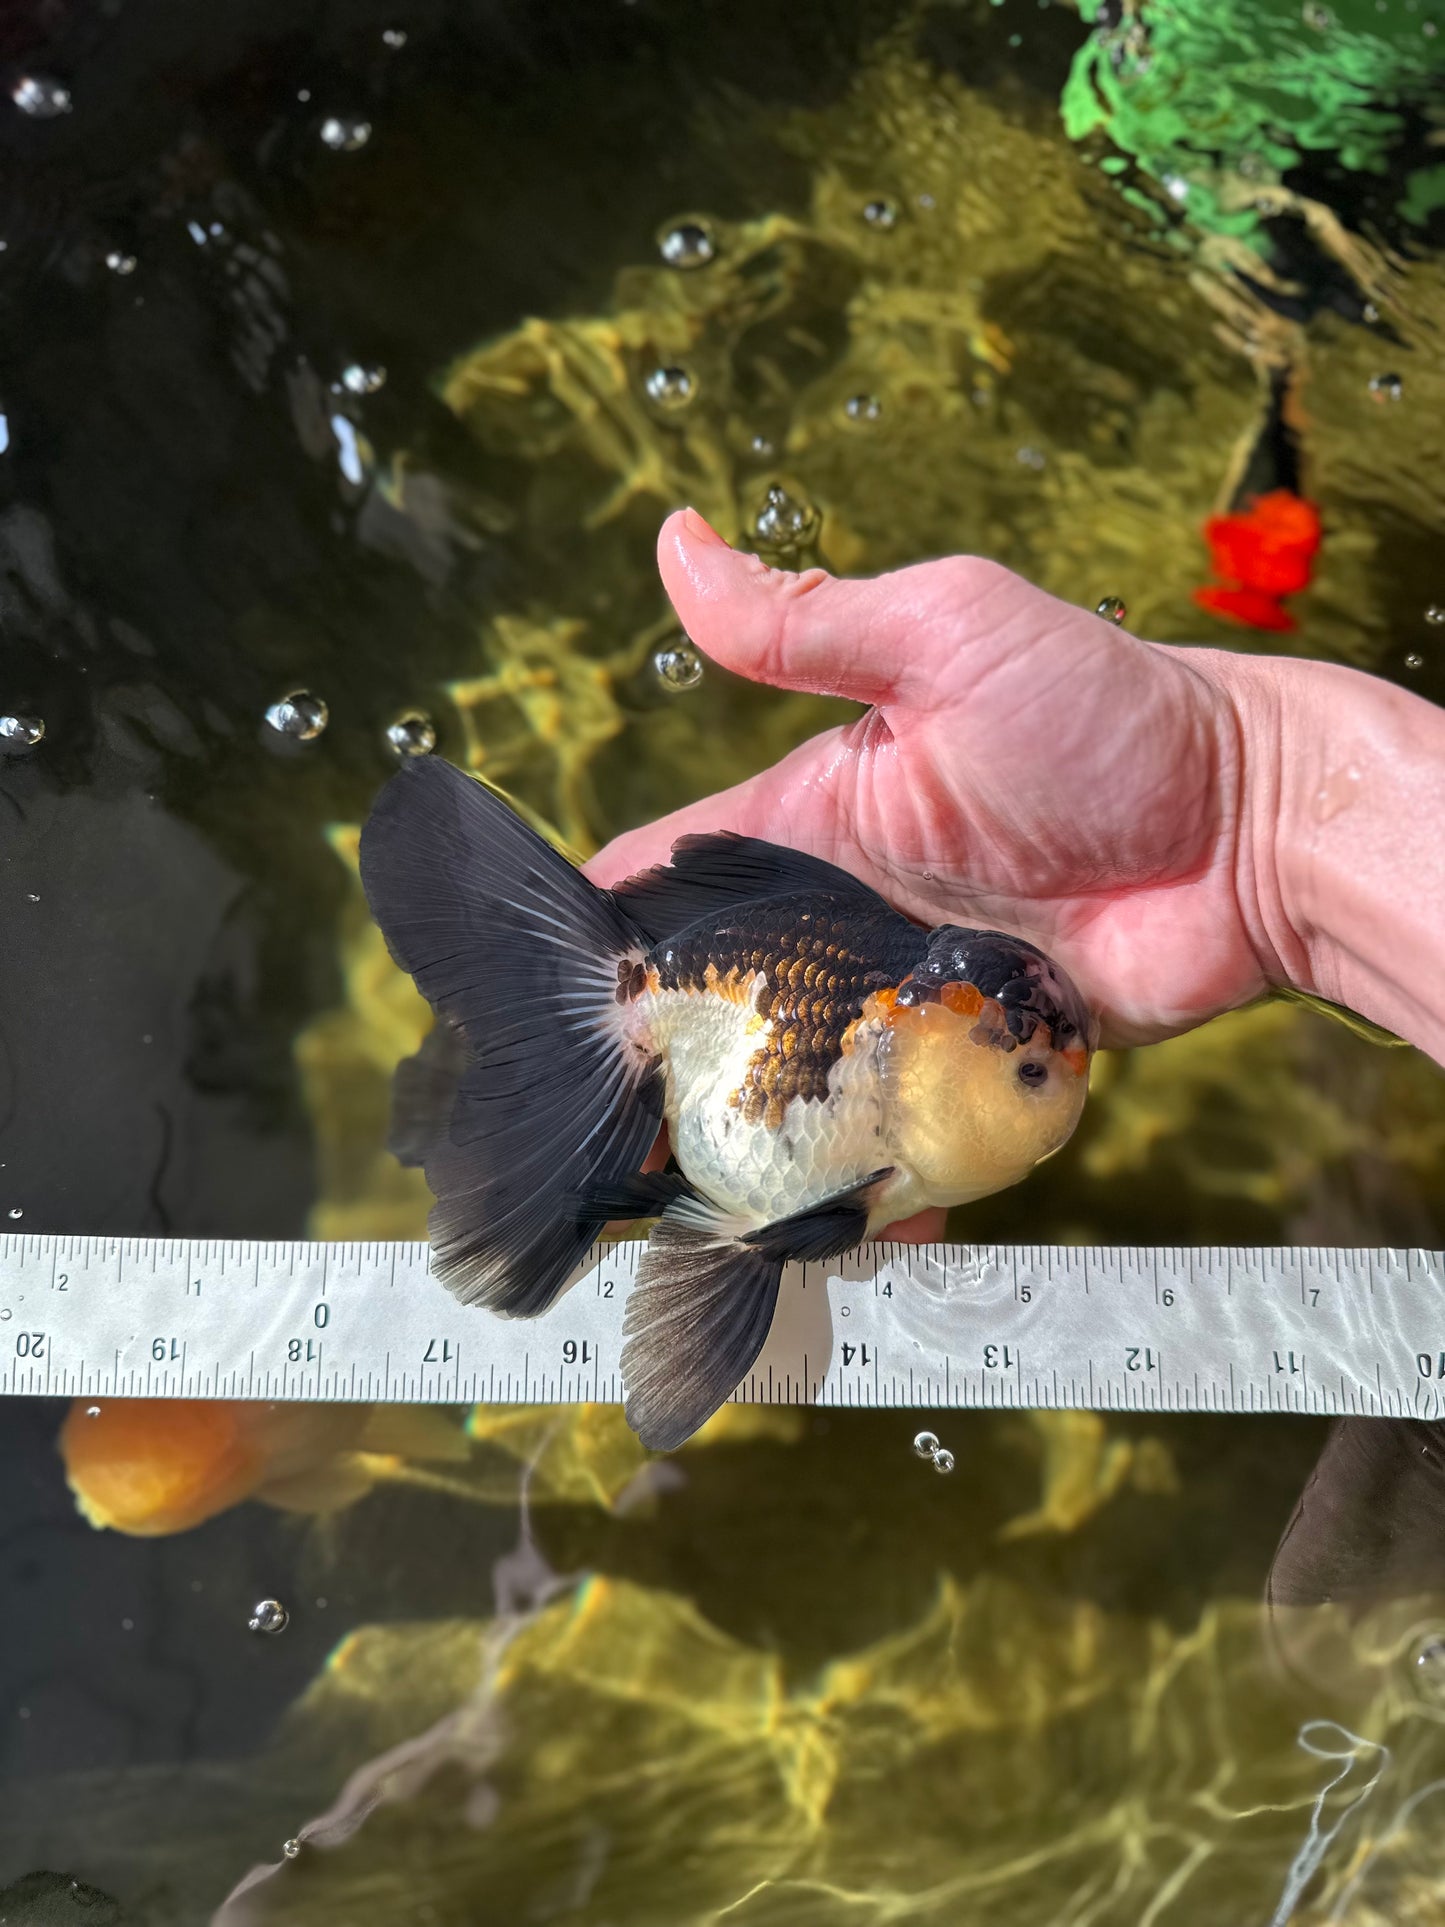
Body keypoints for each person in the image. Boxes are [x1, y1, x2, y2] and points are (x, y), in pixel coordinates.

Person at [586, 509, 1445, 1236]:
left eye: (1038, 1070)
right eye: (1030, 1073)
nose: (1073, 1075)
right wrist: (1249, 806)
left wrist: (1246, 798)